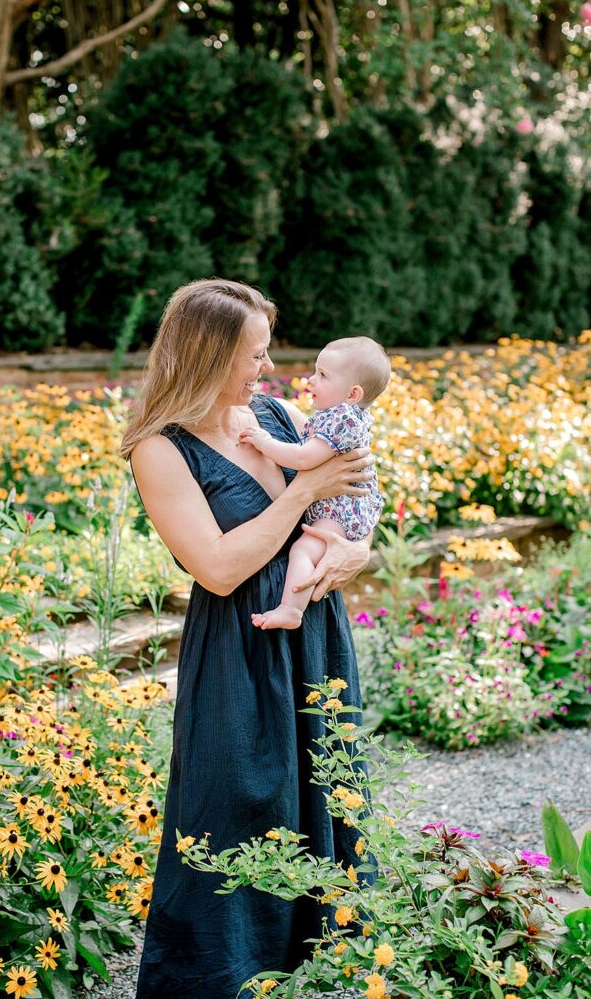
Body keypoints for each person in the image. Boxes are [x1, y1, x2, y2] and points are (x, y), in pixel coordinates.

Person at [120, 278, 378, 999]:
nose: (267, 372)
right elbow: (220, 568)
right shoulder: (160, 450)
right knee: (233, 804)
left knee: (322, 794)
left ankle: (320, 974)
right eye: (253, 356)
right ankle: (218, 980)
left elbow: (355, 505)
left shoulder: (278, 415)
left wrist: (357, 554)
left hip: (312, 634)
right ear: (204, 355)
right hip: (236, 649)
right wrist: (298, 494)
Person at [240, 336, 390, 630]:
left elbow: (304, 458)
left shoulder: (341, 418)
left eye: (322, 375)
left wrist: (264, 442)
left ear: (352, 393)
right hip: (346, 506)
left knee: (304, 551)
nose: (312, 380)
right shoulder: (346, 415)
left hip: (337, 510)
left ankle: (290, 610)